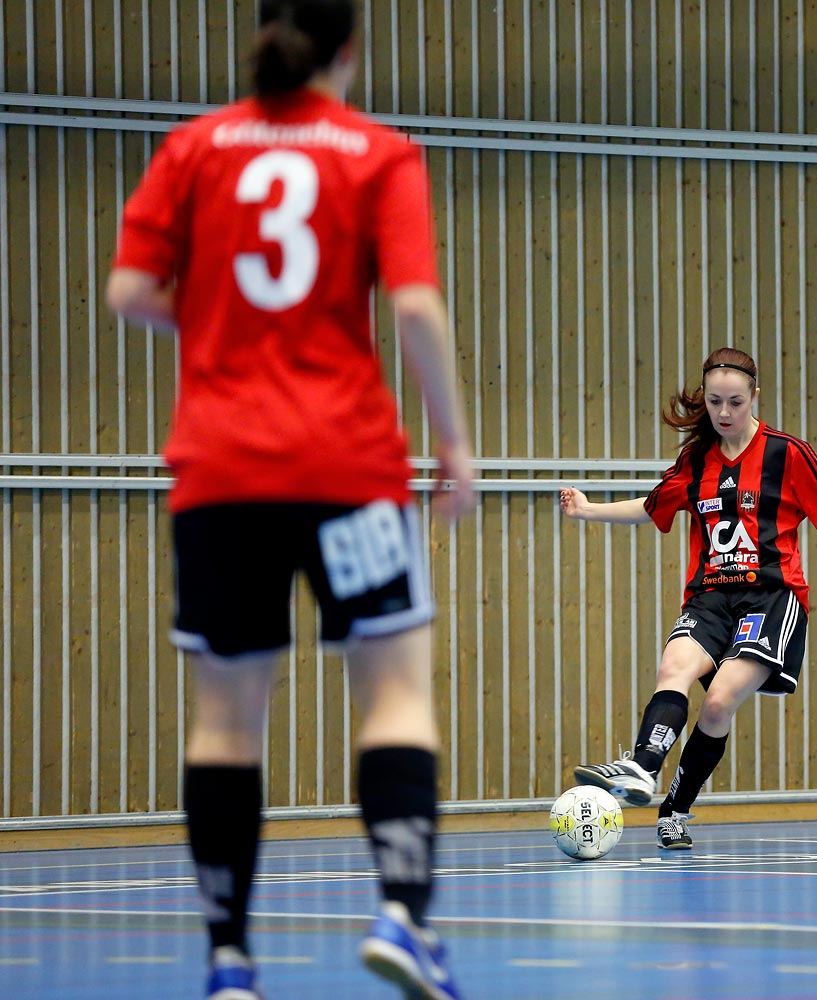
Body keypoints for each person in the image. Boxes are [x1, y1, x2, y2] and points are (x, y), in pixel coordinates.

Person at [106, 2, 473, 997]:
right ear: (350, 50)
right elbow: (413, 304)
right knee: (394, 688)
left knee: (226, 719)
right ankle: (403, 913)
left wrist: (216, 317)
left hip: (220, 475)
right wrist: (451, 441)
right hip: (346, 467)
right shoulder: (375, 153)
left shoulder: (193, 150)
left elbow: (129, 292)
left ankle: (229, 961)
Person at [560, 347, 817, 849]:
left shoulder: (787, 454)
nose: (725, 413)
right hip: (710, 596)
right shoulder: (695, 461)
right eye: (715, 402)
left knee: (717, 702)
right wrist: (587, 510)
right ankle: (643, 769)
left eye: (735, 401)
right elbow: (651, 508)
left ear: (755, 396)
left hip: (771, 599)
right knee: (674, 669)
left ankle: (675, 810)